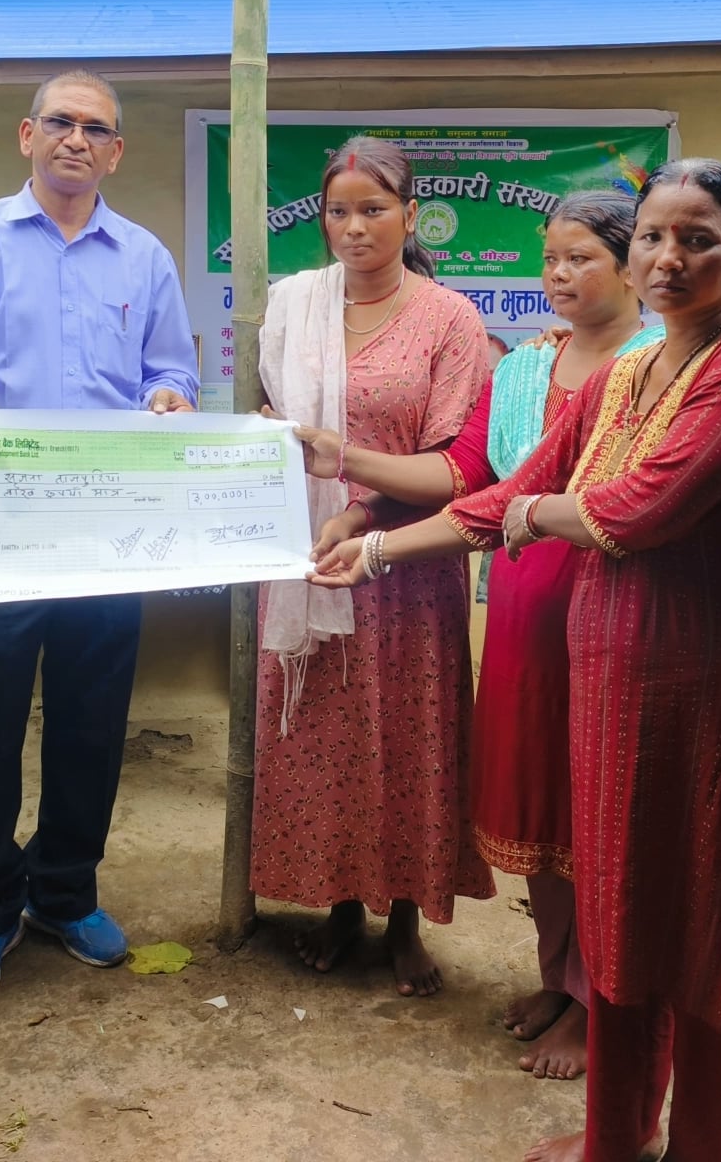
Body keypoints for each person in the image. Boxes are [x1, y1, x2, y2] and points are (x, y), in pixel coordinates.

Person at [310, 159, 721, 1162]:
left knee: (704, 945)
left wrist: (539, 515)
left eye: (698, 239)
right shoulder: (630, 370)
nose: (670, 259)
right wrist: (369, 553)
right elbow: (512, 490)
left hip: (716, 704)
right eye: (655, 238)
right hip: (614, 696)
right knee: (625, 927)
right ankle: (615, 1143)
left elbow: (633, 511)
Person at [292, 190, 659, 1072]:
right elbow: (477, 480)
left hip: (624, 612)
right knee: (541, 805)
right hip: (530, 605)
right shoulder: (532, 368)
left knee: (603, 814)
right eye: (551, 259)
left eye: (583, 259)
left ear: (632, 265)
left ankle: (601, 1006)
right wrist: (370, 521)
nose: (560, 276)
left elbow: (603, 504)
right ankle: (558, 977)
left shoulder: (664, 362)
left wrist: (380, 530)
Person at [0, 68, 199, 1006]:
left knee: (91, 722)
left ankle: (67, 890)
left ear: (116, 152)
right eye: (61, 123)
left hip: (106, 533)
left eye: (96, 129)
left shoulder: (144, 258)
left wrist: (168, 398)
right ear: (25, 136)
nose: (77, 140)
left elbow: (173, 371)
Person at [254, 135, 494, 999]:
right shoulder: (292, 307)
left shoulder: (449, 320)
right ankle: (340, 906)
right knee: (322, 736)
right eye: (338, 211)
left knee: (408, 742)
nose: (353, 228)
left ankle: (403, 920)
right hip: (308, 560)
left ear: (409, 214)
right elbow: (269, 423)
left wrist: (358, 499)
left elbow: (457, 466)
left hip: (407, 569)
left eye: (373, 209)